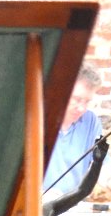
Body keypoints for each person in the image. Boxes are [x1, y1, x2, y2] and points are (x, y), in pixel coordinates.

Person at [43, 65, 104, 199]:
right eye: (76, 99)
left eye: (87, 101)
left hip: (71, 207)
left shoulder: (91, 121)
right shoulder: (41, 120)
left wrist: (110, 178)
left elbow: (102, 163)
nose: (81, 108)